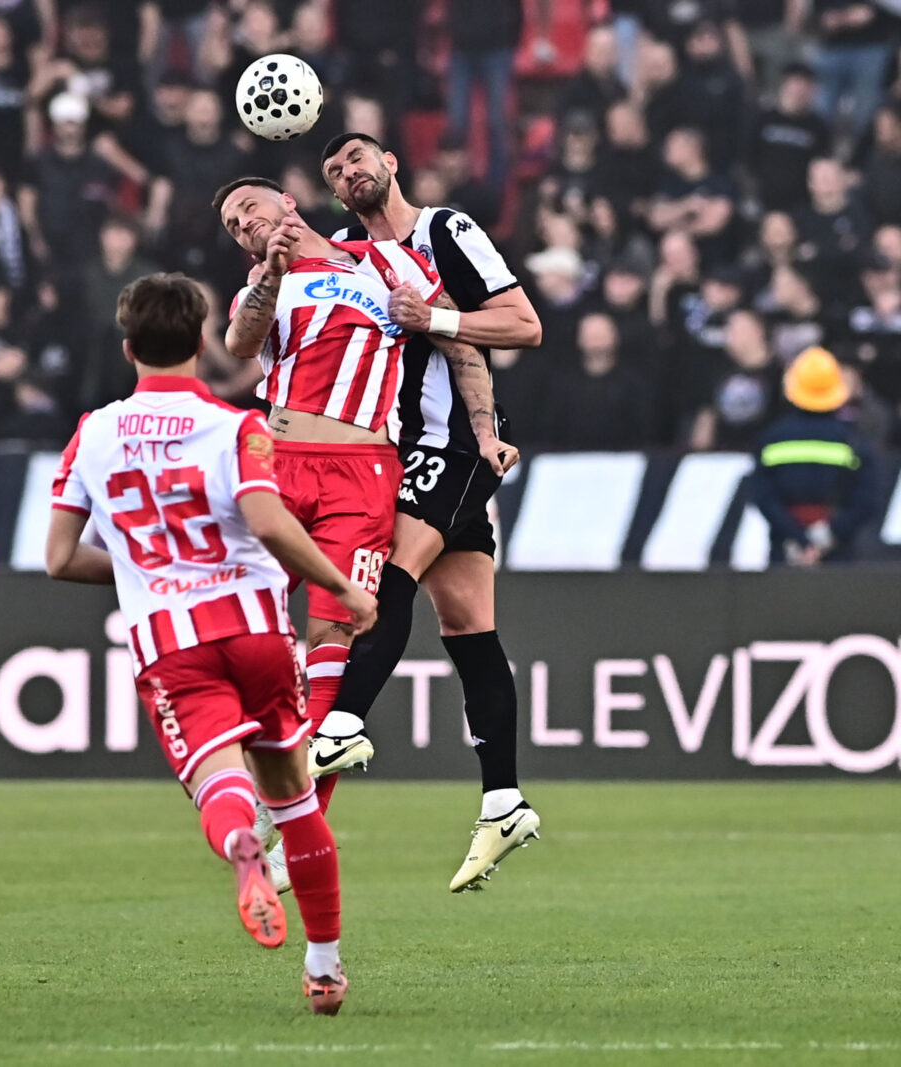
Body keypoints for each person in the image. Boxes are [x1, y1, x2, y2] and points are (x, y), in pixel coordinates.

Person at [45, 272, 375, 1014]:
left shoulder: (93, 431)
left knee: (218, 785)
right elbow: (265, 518)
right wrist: (345, 587)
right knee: (294, 798)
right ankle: (323, 967)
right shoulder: (236, 425)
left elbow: (61, 557)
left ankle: (239, 850)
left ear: (128, 346)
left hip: (170, 641)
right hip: (256, 629)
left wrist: (144, 568)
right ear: (201, 340)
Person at [213, 175, 508, 887]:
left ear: (288, 201)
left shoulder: (388, 264)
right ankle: (252, 773)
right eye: (230, 224)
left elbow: (459, 343)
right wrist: (271, 275)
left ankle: (297, 818)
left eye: (249, 208)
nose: (242, 225)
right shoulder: (266, 282)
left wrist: (486, 430)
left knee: (336, 638)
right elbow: (238, 340)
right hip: (278, 461)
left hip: (365, 465)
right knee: (247, 626)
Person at [319, 132, 540, 892]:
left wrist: (439, 328)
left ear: (391, 164)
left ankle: (342, 721)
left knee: (388, 574)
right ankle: (504, 800)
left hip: (451, 445)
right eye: (334, 171)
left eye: (357, 158)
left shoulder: (447, 230)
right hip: (396, 449)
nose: (349, 173)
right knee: (469, 626)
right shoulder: (346, 255)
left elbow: (521, 325)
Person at [750, 346, 882, 566]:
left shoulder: (773, 439)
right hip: (838, 554)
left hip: (786, 550)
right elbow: (866, 501)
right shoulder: (852, 441)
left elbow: (763, 496)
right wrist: (826, 535)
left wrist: (797, 539)